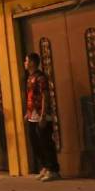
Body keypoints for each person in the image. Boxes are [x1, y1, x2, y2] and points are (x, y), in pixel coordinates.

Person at [24, 52, 61, 182]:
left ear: (32, 62)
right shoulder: (30, 77)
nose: (25, 63)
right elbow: (31, 96)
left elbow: (45, 95)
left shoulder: (41, 77)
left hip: (41, 114)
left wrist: (44, 115)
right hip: (32, 115)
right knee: (35, 142)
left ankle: (53, 170)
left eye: (26, 60)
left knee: (46, 142)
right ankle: (45, 166)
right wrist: (27, 112)